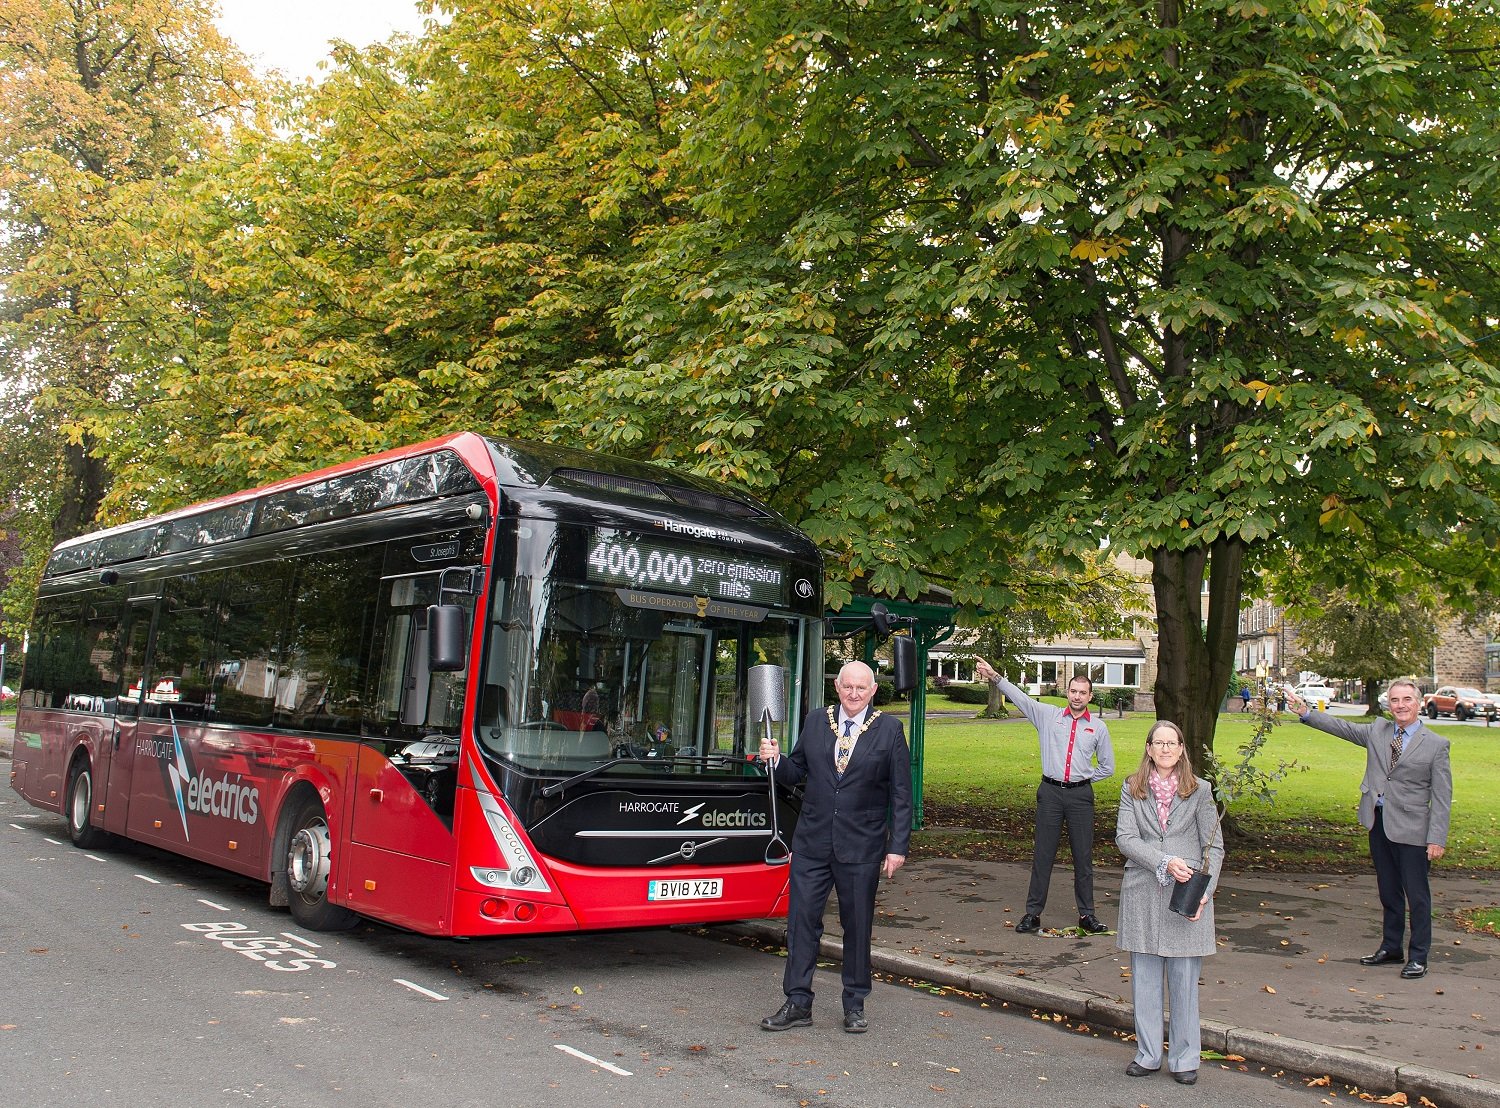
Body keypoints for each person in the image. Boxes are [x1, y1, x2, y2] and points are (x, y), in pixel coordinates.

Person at [759, 660, 913, 1034]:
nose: (854, 694)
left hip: (862, 847)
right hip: (812, 843)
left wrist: (897, 846)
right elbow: (797, 771)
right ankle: (798, 1002)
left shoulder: (890, 730)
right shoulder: (816, 721)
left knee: (857, 926)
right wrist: (776, 759)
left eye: (862, 688)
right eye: (848, 687)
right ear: (837, 688)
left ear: (873, 690)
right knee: (801, 924)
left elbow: (901, 793)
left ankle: (855, 1003)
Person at [1287, 679, 1451, 979]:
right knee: (1388, 892)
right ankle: (1391, 948)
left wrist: (1436, 838)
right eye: (1394, 700)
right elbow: (1343, 728)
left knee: (1417, 896)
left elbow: (1441, 797)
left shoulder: (1437, 745)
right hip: (1379, 824)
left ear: (1418, 703)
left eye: (1406, 700)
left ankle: (1418, 956)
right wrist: (1306, 712)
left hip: (1414, 831)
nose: (1400, 705)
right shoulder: (1378, 731)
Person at [1115, 719, 1223, 1086]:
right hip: (1143, 892)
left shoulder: (1202, 790)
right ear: (1148, 748)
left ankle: (1184, 1058)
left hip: (1186, 894)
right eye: (1158, 743)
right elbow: (1125, 838)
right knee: (1144, 981)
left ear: (1181, 749)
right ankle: (1147, 1055)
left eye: (1172, 743)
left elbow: (1214, 846)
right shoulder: (1132, 787)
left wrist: (1205, 892)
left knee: (1184, 983)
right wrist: (1163, 862)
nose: (1165, 749)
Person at [974, 660, 1113, 934]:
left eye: (1082, 693)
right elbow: (1020, 698)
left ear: (1090, 697)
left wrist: (1083, 779)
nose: (1077, 696)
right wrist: (994, 676)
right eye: (1073, 691)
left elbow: (1107, 767)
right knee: (1043, 856)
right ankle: (1033, 914)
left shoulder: (1098, 728)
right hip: (1050, 793)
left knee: (1083, 858)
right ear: (1068, 692)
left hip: (1080, 797)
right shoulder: (1048, 716)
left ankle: (1087, 915)